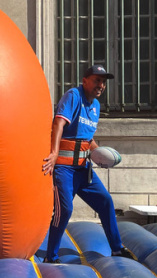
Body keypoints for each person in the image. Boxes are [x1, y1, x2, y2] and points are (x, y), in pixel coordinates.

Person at [41, 65, 133, 263]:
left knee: (106, 202)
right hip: (64, 169)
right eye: (96, 80)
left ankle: (117, 249)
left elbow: (87, 139)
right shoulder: (73, 96)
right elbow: (58, 123)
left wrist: (99, 153)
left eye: (103, 82)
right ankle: (51, 256)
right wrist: (54, 154)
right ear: (85, 81)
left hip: (83, 169)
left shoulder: (96, 107)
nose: (100, 85)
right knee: (64, 210)